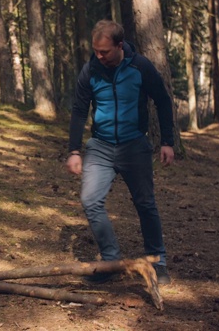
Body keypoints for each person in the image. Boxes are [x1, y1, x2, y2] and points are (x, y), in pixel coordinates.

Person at [66, 20, 175, 285]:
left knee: (145, 203)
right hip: (100, 146)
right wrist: (74, 150)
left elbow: (162, 101)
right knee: (90, 200)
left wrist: (167, 142)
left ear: (119, 45)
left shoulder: (140, 67)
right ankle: (111, 261)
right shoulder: (90, 69)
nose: (99, 56)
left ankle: (157, 262)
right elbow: (80, 110)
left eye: (104, 51)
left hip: (134, 146)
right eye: (96, 50)